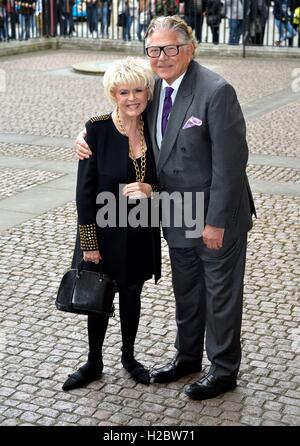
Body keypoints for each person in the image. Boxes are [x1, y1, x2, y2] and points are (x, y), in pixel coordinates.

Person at [75, 15, 256, 400]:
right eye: (154, 49)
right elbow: (123, 110)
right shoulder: (153, 88)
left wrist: (216, 221)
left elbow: (230, 163)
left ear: (189, 48)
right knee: (187, 290)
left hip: (212, 215)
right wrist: (85, 134)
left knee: (220, 294)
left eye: (170, 48)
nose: (161, 56)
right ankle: (187, 357)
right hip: (174, 212)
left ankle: (223, 370)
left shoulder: (216, 91)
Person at [62, 57, 161, 391]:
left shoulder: (157, 127)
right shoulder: (97, 130)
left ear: (148, 92)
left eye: (138, 90)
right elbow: (83, 194)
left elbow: (168, 177)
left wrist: (153, 190)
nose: (132, 98)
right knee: (99, 298)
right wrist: (89, 244)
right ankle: (93, 361)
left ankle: (130, 357)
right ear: (112, 95)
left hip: (140, 230)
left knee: (132, 295)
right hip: (102, 235)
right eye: (123, 92)